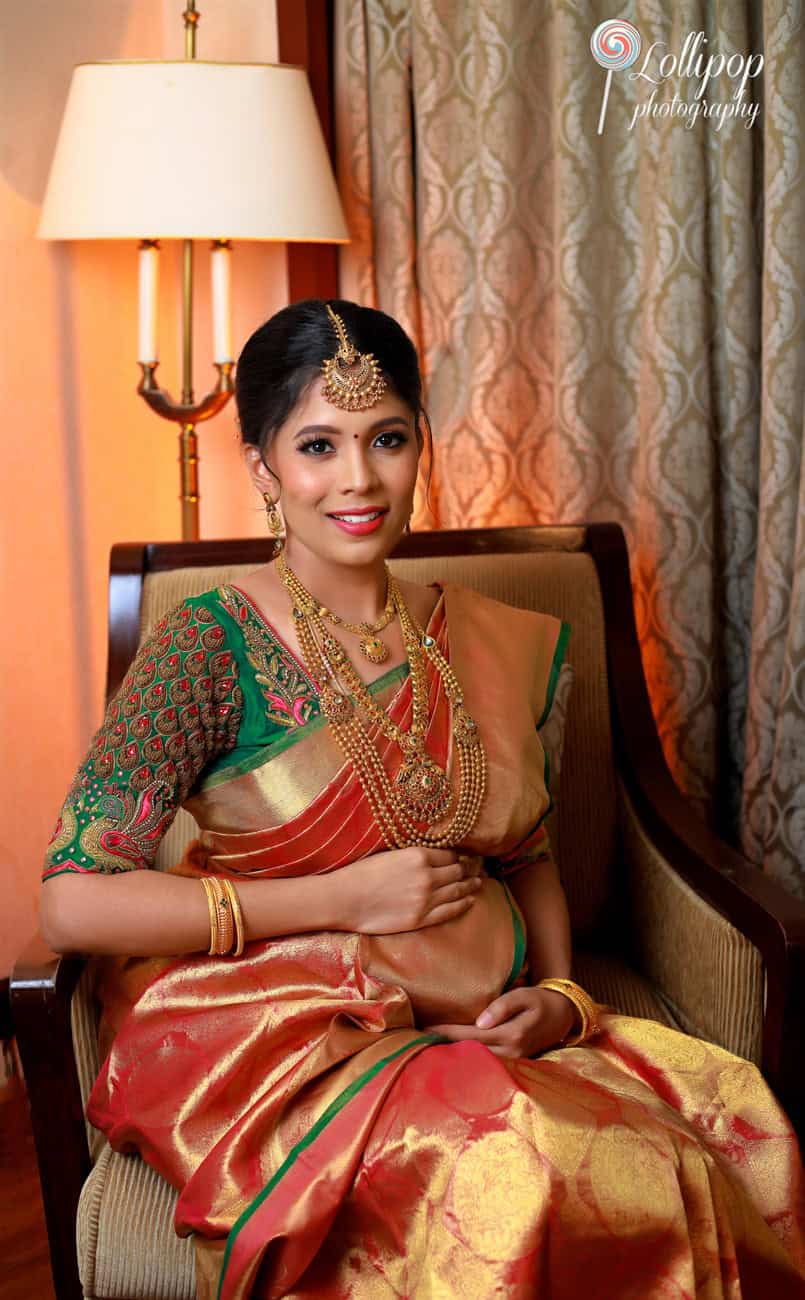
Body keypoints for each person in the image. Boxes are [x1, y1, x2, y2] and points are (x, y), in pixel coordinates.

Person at [41, 299, 805, 1300]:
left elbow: (523, 854)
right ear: (262, 466)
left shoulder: (492, 636)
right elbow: (74, 899)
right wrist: (343, 900)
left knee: (715, 1140)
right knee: (513, 1174)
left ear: (420, 447)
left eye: (386, 439)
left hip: (486, 1016)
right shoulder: (209, 644)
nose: (358, 479)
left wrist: (564, 996)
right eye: (317, 445)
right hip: (290, 1035)